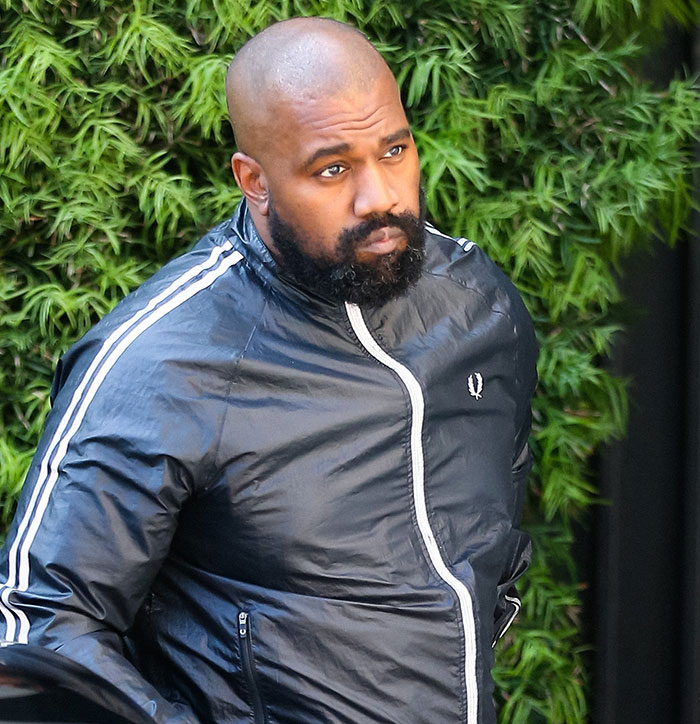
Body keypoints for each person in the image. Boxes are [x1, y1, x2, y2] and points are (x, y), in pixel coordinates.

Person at [0, 17, 537, 724]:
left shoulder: (476, 304)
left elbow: (491, 542)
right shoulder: (163, 360)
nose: (379, 197)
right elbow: (39, 631)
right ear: (254, 180)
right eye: (332, 169)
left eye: (394, 150)